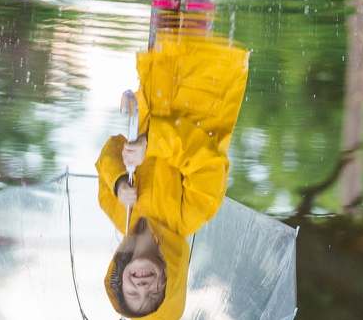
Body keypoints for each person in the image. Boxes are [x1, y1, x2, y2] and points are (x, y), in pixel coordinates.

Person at [96, 28, 250, 319]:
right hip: (206, 78)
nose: (142, 287)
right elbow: (206, 160)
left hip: (162, 73)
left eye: (133, 294)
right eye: (153, 295)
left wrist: (117, 180)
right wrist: (151, 143)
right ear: (169, 281)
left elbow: (111, 150)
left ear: (119, 278)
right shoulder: (192, 213)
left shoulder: (118, 210)